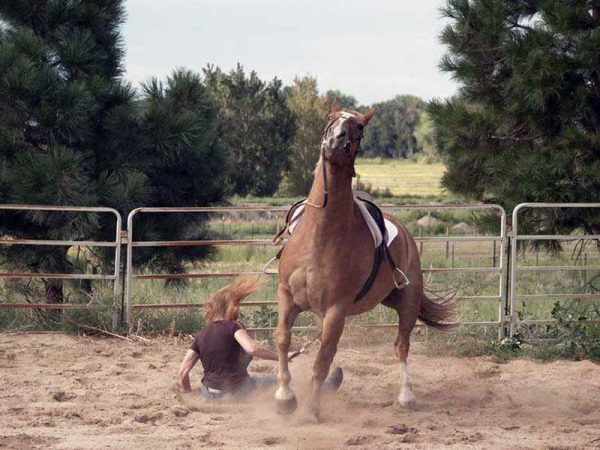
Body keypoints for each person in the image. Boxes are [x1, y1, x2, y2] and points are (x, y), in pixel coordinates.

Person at [177, 276, 343, 400]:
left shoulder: (201, 335)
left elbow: (183, 372)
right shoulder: (233, 327)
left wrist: (188, 394)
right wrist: (282, 357)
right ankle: (325, 388)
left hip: (209, 394)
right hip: (236, 391)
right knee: (282, 382)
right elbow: (252, 349)